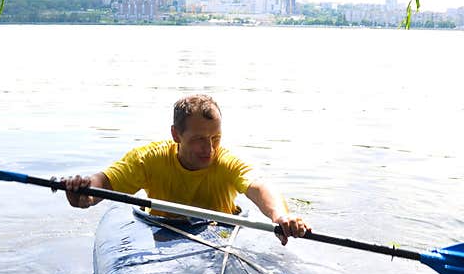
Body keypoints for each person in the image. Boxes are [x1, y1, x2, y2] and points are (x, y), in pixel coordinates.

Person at [59, 94, 310, 245]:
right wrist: (86, 194)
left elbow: (259, 186)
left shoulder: (226, 161)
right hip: (162, 232)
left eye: (216, 138)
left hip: (217, 237)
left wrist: (280, 217)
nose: (209, 149)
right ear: (176, 135)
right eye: (199, 139)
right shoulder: (149, 159)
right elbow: (105, 181)